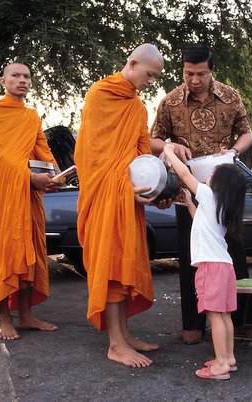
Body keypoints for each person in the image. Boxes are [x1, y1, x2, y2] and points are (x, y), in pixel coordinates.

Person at [150, 43, 252, 345]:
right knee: (192, 256)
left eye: (200, 73)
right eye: (188, 73)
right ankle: (193, 324)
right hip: (190, 192)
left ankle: (245, 321)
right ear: (182, 70)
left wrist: (235, 150)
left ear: (212, 70)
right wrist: (170, 147)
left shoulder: (230, 96)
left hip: (226, 188)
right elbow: (152, 140)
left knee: (235, 251)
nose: (194, 79)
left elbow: (247, 132)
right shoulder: (170, 101)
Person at [74, 43, 164, 368]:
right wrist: (119, 182)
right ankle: (115, 344)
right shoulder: (100, 93)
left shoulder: (139, 108)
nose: (151, 81)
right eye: (149, 74)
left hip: (129, 196)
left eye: (156, 77)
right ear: (132, 62)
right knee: (111, 267)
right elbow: (91, 152)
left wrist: (149, 184)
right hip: (105, 194)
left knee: (126, 265)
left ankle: (125, 334)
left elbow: (141, 150)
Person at [0, 63, 61, 340]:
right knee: (7, 255)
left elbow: (42, 148)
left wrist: (54, 174)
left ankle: (26, 316)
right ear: (3, 81)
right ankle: (4, 318)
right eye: (16, 76)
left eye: (27, 76)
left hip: (29, 199)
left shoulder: (31, 116)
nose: (22, 80)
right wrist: (29, 177)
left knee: (32, 255)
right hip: (6, 198)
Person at [163, 143, 245, 380]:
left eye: (211, 175)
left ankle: (220, 365)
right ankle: (228, 357)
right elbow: (200, 222)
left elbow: (185, 173)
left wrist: (169, 152)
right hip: (224, 266)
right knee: (225, 314)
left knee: (214, 315)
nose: (206, 178)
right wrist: (190, 204)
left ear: (219, 185)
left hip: (211, 267)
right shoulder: (221, 207)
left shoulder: (210, 196)